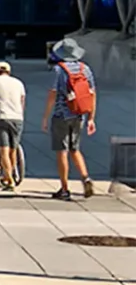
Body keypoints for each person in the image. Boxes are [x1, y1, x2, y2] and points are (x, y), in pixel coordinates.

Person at [46, 37, 100, 201]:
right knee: (75, 149)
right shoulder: (85, 69)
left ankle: (64, 188)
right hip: (79, 114)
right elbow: (92, 94)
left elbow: (53, 94)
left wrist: (45, 116)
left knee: (62, 151)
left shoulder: (59, 70)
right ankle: (85, 177)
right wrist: (91, 118)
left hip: (61, 115)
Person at [0, 60, 27, 191]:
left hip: (1, 117)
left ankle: (10, 180)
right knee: (13, 150)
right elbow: (22, 101)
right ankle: (9, 175)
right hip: (17, 118)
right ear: (9, 71)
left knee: (4, 151)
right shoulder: (18, 83)